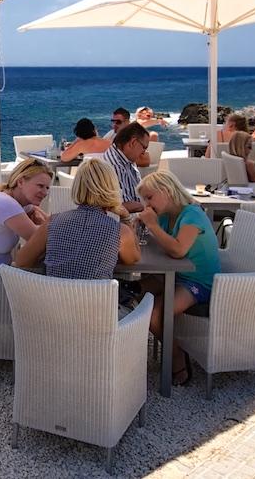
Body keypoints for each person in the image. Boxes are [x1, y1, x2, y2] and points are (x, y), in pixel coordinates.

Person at [135, 171, 220, 384]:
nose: (147, 204)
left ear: (166, 191)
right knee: (134, 294)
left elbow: (178, 250)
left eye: (149, 197)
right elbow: (158, 245)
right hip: (175, 275)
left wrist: (153, 226)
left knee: (155, 313)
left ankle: (177, 358)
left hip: (198, 281)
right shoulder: (165, 216)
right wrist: (141, 228)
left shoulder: (192, 214)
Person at [15, 158, 140, 278]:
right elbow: (133, 259)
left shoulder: (52, 222)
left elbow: (22, 261)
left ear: (77, 187)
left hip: (52, 292)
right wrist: (126, 219)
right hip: (96, 293)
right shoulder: (120, 231)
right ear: (112, 188)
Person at [102, 121, 150, 213]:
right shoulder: (115, 166)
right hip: (127, 219)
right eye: (144, 148)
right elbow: (119, 207)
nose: (143, 153)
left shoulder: (127, 159)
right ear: (133, 142)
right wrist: (148, 206)